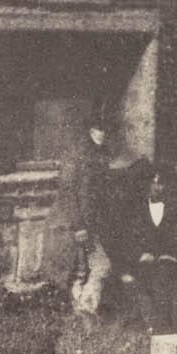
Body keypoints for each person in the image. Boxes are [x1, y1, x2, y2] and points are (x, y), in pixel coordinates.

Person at [124, 165, 177, 335]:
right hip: (142, 261)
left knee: (166, 278)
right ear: (147, 184)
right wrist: (140, 255)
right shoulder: (137, 210)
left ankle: (167, 328)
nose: (158, 188)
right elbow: (129, 238)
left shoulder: (175, 208)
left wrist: (172, 255)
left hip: (170, 260)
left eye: (161, 183)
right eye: (155, 183)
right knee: (141, 281)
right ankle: (152, 325)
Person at [56, 114, 114, 316]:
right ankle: (79, 311)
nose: (102, 133)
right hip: (78, 224)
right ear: (90, 130)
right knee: (82, 269)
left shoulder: (102, 154)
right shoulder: (77, 154)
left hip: (95, 222)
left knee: (95, 267)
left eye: (105, 129)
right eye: (98, 128)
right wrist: (78, 225)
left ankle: (85, 309)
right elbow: (68, 190)